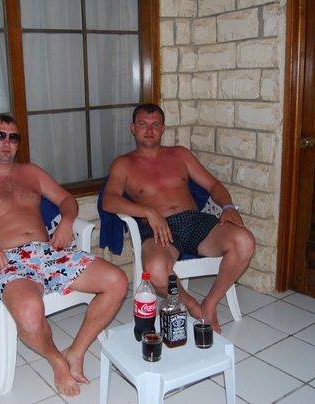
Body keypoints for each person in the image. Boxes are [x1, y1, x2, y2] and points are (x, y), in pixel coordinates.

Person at [0, 114, 128, 397]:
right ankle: (56, 360)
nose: (7, 142)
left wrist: (66, 221)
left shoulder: (31, 173)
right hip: (9, 259)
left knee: (117, 281)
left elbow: (67, 199)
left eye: (13, 137)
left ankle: (75, 351)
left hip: (50, 252)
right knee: (29, 315)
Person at [102, 103, 254, 333]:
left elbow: (213, 184)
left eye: (155, 124)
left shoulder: (179, 154)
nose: (149, 130)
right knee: (155, 269)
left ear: (163, 128)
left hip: (196, 221)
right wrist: (148, 212)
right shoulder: (124, 163)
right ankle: (191, 305)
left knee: (244, 240)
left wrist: (228, 206)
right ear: (133, 128)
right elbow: (109, 201)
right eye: (143, 124)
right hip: (159, 230)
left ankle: (210, 303)